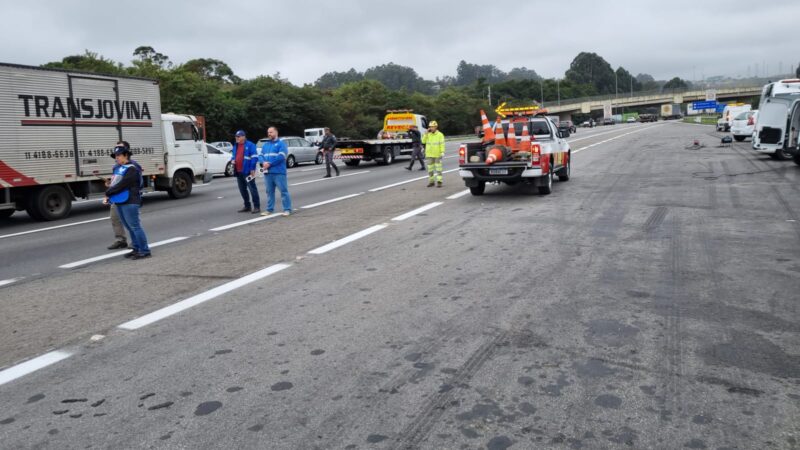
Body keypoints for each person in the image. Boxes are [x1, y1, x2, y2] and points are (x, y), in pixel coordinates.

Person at [105, 145, 151, 259]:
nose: (116, 158)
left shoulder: (132, 168)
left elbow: (123, 184)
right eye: (115, 156)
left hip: (130, 200)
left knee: (135, 226)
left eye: (119, 155)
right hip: (120, 200)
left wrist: (109, 192)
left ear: (126, 155)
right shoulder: (119, 168)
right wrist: (110, 187)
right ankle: (136, 249)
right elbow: (116, 183)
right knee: (129, 227)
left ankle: (144, 250)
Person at [106, 140, 142, 249]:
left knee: (132, 223)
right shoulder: (116, 167)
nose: (117, 152)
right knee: (115, 218)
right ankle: (120, 240)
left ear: (126, 152)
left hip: (128, 198)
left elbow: (136, 182)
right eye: (116, 149)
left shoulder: (133, 166)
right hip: (117, 197)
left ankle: (137, 244)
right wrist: (110, 184)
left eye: (120, 149)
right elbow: (116, 181)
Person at [259, 126, 293, 216]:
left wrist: (269, 164)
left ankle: (287, 209)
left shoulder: (281, 144)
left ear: (276, 132)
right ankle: (269, 209)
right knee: (269, 192)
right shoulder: (266, 144)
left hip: (278, 172)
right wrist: (263, 162)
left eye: (271, 132)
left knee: (283, 191)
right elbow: (261, 155)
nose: (269, 134)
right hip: (268, 173)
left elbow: (281, 157)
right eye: (268, 132)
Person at [230, 130, 260, 214]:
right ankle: (247, 206)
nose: (236, 138)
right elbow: (233, 156)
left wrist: (252, 169)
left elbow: (254, 157)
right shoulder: (236, 145)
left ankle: (257, 206)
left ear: (243, 137)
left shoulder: (251, 145)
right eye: (236, 136)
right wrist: (232, 160)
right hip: (239, 171)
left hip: (247, 171)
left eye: (238, 136)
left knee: (252, 189)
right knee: (242, 190)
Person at [421, 120, 445, 187]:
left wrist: (442, 152)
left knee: (438, 169)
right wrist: (425, 134)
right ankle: (431, 182)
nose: (431, 128)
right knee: (430, 170)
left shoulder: (440, 135)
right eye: (430, 127)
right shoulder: (428, 134)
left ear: (436, 127)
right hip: (429, 154)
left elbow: (442, 144)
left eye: (433, 127)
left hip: (437, 154)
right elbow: (423, 141)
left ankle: (439, 182)